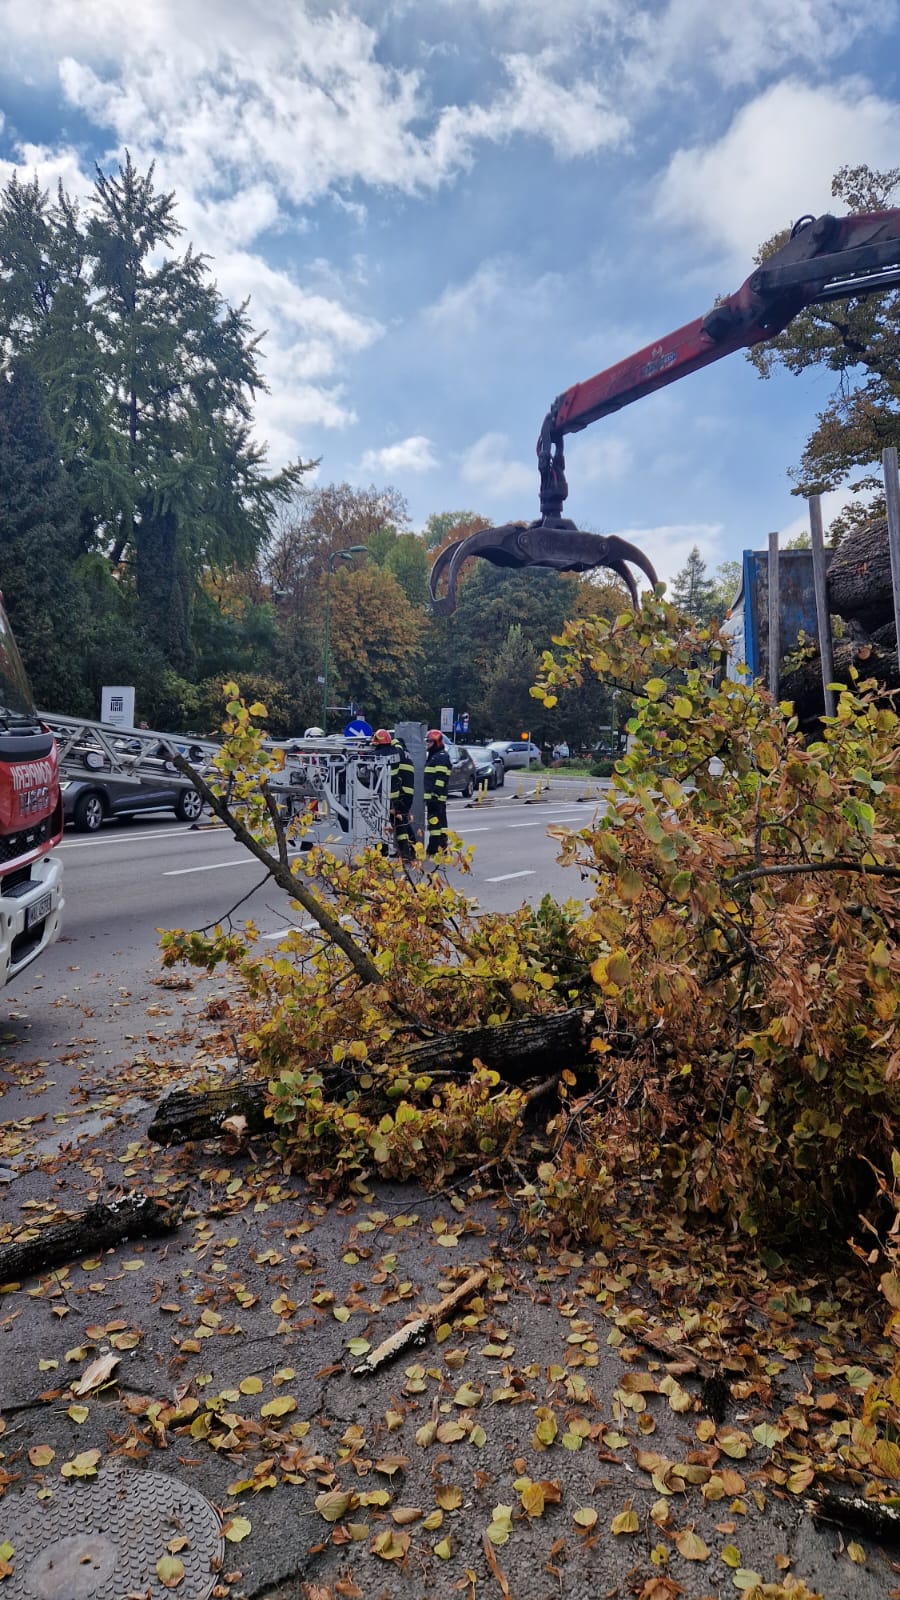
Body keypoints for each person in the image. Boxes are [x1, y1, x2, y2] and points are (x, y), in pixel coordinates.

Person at [373, 728, 414, 859]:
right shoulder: (397, 753)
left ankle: (382, 853)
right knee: (399, 823)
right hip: (395, 795)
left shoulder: (377, 755)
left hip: (382, 797)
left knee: (379, 825)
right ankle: (406, 852)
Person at [424, 727, 452, 857]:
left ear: (436, 742)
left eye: (429, 741)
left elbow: (441, 779)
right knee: (438, 824)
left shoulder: (440, 757)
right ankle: (440, 847)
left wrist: (435, 795)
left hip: (436, 797)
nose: (427, 744)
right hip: (434, 797)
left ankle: (435, 848)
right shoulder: (435, 756)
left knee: (435, 824)